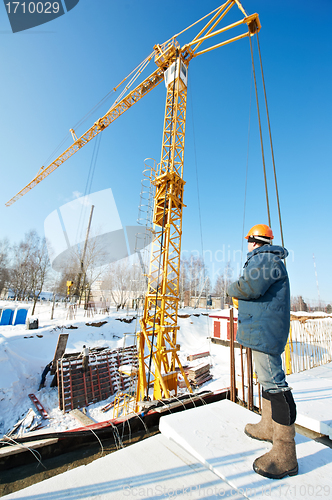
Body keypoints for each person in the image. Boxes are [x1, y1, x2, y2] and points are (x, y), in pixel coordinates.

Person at [228, 223, 297, 479]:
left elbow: (249, 288)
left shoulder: (266, 259)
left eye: (248, 240)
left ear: (255, 241)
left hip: (265, 332)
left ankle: (285, 452)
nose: (247, 245)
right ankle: (269, 426)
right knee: (267, 381)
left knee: (276, 385)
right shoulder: (264, 260)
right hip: (261, 330)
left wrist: (231, 288)